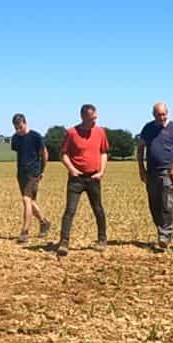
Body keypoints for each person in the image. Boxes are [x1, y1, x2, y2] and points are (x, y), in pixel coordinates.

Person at [56, 104, 109, 257]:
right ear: (83, 117)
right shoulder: (71, 133)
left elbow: (104, 153)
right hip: (76, 179)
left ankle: (102, 239)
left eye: (95, 117)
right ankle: (64, 242)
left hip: (94, 177)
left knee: (98, 209)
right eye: (91, 118)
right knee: (70, 210)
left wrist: (101, 171)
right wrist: (72, 169)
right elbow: (63, 154)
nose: (94, 120)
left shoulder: (100, 132)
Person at [137, 102, 173, 249]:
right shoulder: (147, 128)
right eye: (159, 115)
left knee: (167, 204)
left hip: (167, 172)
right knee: (154, 204)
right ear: (153, 115)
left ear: (168, 113)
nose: (162, 117)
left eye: (164, 114)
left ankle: (165, 234)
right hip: (151, 172)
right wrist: (141, 168)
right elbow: (140, 149)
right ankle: (161, 230)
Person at [10, 113, 51, 244]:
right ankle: (44, 222)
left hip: (33, 173)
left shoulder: (35, 136)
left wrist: (42, 170)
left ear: (25, 123)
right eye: (16, 128)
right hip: (21, 173)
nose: (18, 130)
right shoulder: (15, 139)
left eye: (20, 127)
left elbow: (44, 153)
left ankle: (25, 231)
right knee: (31, 202)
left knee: (26, 200)